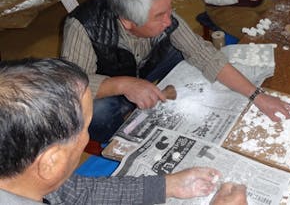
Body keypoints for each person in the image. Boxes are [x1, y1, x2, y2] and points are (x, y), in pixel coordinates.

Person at [61, 0, 290, 143]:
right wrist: (123, 85)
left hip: (149, 65)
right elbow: (70, 84)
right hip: (110, 80)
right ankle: (123, 139)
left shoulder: (160, 13)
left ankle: (147, 94)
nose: (169, 20)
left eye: (169, 9)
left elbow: (203, 53)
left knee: (193, 56)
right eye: (159, 16)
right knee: (95, 112)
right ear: (128, 21)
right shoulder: (83, 26)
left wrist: (257, 96)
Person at [0, 58, 248, 205]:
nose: (87, 137)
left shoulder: (25, 176)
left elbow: (70, 192)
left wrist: (166, 186)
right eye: (86, 127)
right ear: (51, 162)